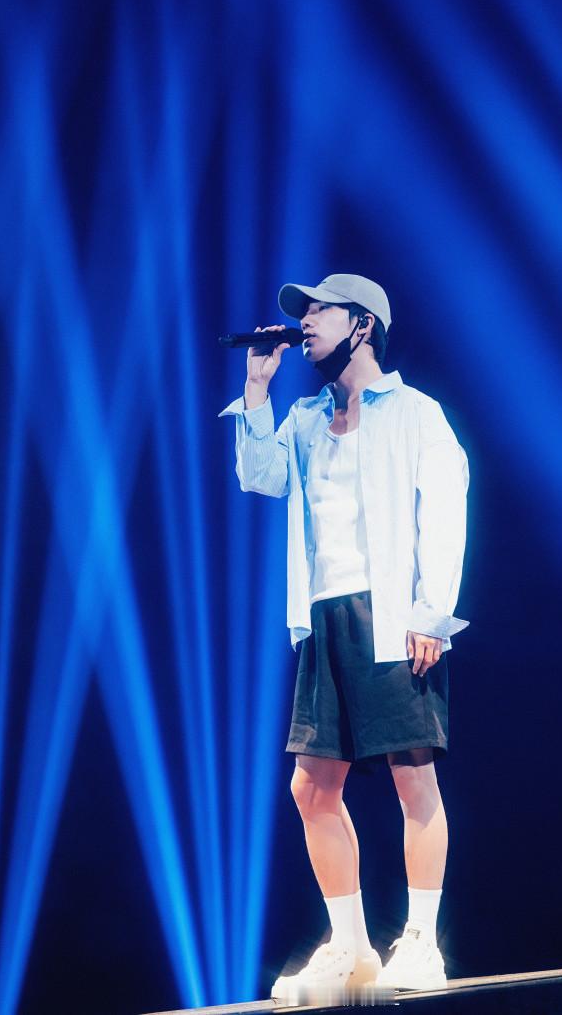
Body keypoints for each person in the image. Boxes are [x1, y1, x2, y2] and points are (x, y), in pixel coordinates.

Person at [219, 274, 469, 1002]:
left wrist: (431, 612)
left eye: (320, 311)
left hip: (392, 613)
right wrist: (257, 388)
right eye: (303, 313)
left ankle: (420, 939)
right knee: (311, 787)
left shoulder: (416, 413)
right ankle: (351, 945)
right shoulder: (303, 416)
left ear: (362, 326)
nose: (304, 323)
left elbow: (445, 507)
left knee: (411, 776)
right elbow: (259, 477)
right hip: (322, 614)